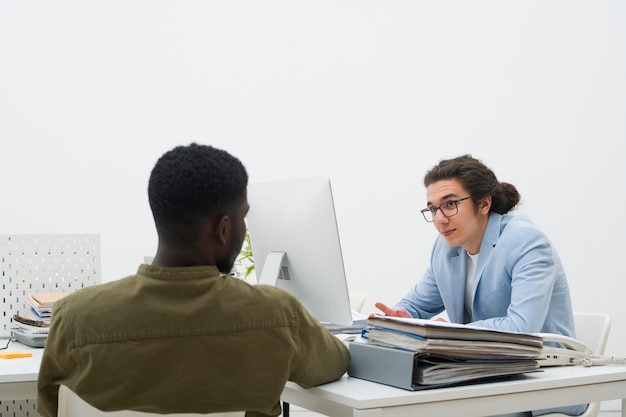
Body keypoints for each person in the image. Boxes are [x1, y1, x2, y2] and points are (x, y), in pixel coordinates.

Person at [37, 143, 350, 417]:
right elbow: (333, 364)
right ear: (224, 228)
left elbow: (52, 406)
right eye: (243, 217)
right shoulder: (277, 315)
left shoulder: (74, 318)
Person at [374, 155, 585, 417]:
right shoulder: (446, 249)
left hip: (542, 383)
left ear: (483, 203)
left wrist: (449, 334)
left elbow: (520, 329)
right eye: (433, 209)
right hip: (482, 376)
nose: (440, 219)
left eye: (450, 204)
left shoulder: (525, 241)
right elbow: (415, 305)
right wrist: (401, 319)